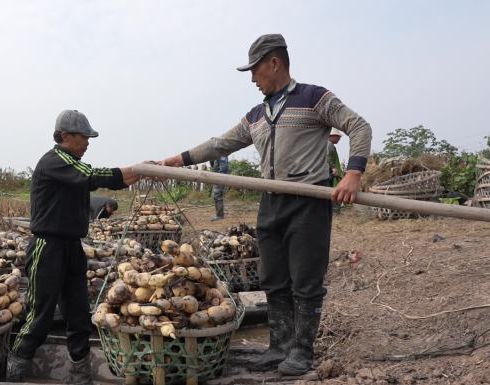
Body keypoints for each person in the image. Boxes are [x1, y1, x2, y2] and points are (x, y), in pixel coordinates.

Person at [157, 34, 371, 375]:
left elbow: (358, 126)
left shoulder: (315, 98)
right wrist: (175, 161)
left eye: (255, 71)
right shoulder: (256, 115)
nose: (253, 80)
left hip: (308, 200)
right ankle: (279, 346)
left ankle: (302, 351)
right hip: (270, 202)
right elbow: (220, 144)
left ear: (275, 63)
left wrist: (353, 172)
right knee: (273, 278)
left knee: (305, 280)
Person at [7, 110, 139, 383]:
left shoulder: (71, 168)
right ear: (65, 136)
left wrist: (107, 202)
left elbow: (86, 191)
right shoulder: (56, 161)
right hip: (47, 247)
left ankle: (80, 372)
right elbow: (92, 176)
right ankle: (16, 366)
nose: (88, 142)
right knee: (39, 315)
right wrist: (137, 170)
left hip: (71, 248)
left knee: (79, 315)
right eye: (84, 137)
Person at [209, 155, 230, 220]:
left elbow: (224, 167)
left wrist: (219, 177)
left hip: (220, 177)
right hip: (217, 177)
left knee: (217, 196)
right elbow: (213, 164)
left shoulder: (222, 154)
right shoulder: (217, 154)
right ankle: (219, 214)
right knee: (216, 196)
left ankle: (220, 215)